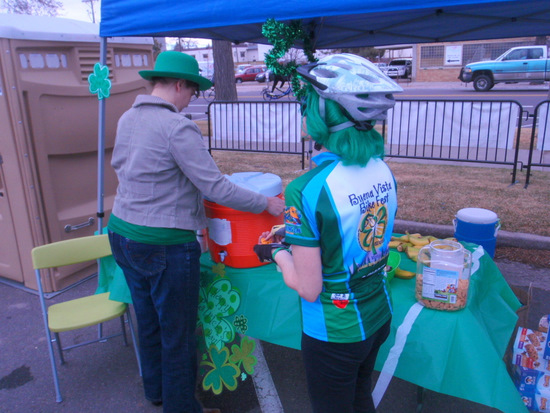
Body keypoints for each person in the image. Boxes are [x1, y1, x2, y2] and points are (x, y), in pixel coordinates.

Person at [107, 51, 284, 413]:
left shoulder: (127, 117)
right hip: (163, 244)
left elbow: (127, 169)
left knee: (150, 321)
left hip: (122, 233)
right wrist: (266, 205)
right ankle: (181, 408)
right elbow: (215, 187)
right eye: (193, 91)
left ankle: (156, 392)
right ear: (178, 85)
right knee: (178, 334)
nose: (193, 98)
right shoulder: (177, 127)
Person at [254, 53, 403, 413]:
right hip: (377, 313)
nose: (303, 109)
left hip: (336, 330)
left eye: (308, 101)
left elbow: (309, 287)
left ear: (325, 113)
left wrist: (278, 254)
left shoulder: (307, 189)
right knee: (359, 397)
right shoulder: (382, 169)